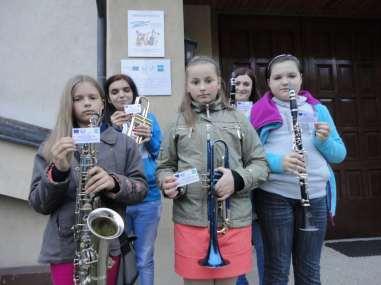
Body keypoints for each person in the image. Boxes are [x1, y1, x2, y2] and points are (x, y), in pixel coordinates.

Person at [156, 56, 269, 285]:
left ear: (219, 82)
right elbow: (165, 166)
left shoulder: (238, 119)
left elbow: (260, 165)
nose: (202, 87)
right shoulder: (177, 122)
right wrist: (167, 182)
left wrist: (237, 179)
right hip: (191, 221)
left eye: (208, 80)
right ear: (187, 86)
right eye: (195, 82)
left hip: (233, 220)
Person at [29, 75, 148, 285]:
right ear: (69, 104)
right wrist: (58, 172)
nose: (87, 102)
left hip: (107, 248)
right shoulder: (51, 146)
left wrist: (115, 183)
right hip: (64, 248)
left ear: (103, 102)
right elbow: (39, 204)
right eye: (78, 98)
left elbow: (140, 190)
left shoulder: (125, 144)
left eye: (93, 97)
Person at [250, 54, 346, 285]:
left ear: (301, 79)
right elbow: (248, 156)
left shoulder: (318, 110)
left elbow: (339, 154)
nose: (286, 82)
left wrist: (323, 141)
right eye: (278, 77)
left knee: (310, 269)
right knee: (277, 268)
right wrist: (278, 162)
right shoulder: (258, 111)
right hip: (275, 195)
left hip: (315, 194)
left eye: (292, 75)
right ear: (269, 82)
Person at [103, 74, 162, 285]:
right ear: (108, 99)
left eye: (126, 90)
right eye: (115, 92)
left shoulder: (149, 118)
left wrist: (151, 140)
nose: (121, 96)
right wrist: (113, 131)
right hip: (118, 200)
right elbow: (102, 160)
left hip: (149, 197)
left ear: (133, 93)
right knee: (119, 256)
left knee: (144, 257)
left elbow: (163, 157)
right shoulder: (105, 124)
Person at [233, 67, 264, 285]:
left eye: (246, 84)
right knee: (236, 245)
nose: (242, 88)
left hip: (257, 181)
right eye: (238, 83)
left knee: (263, 243)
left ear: (252, 88)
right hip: (235, 181)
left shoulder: (261, 110)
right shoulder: (223, 109)